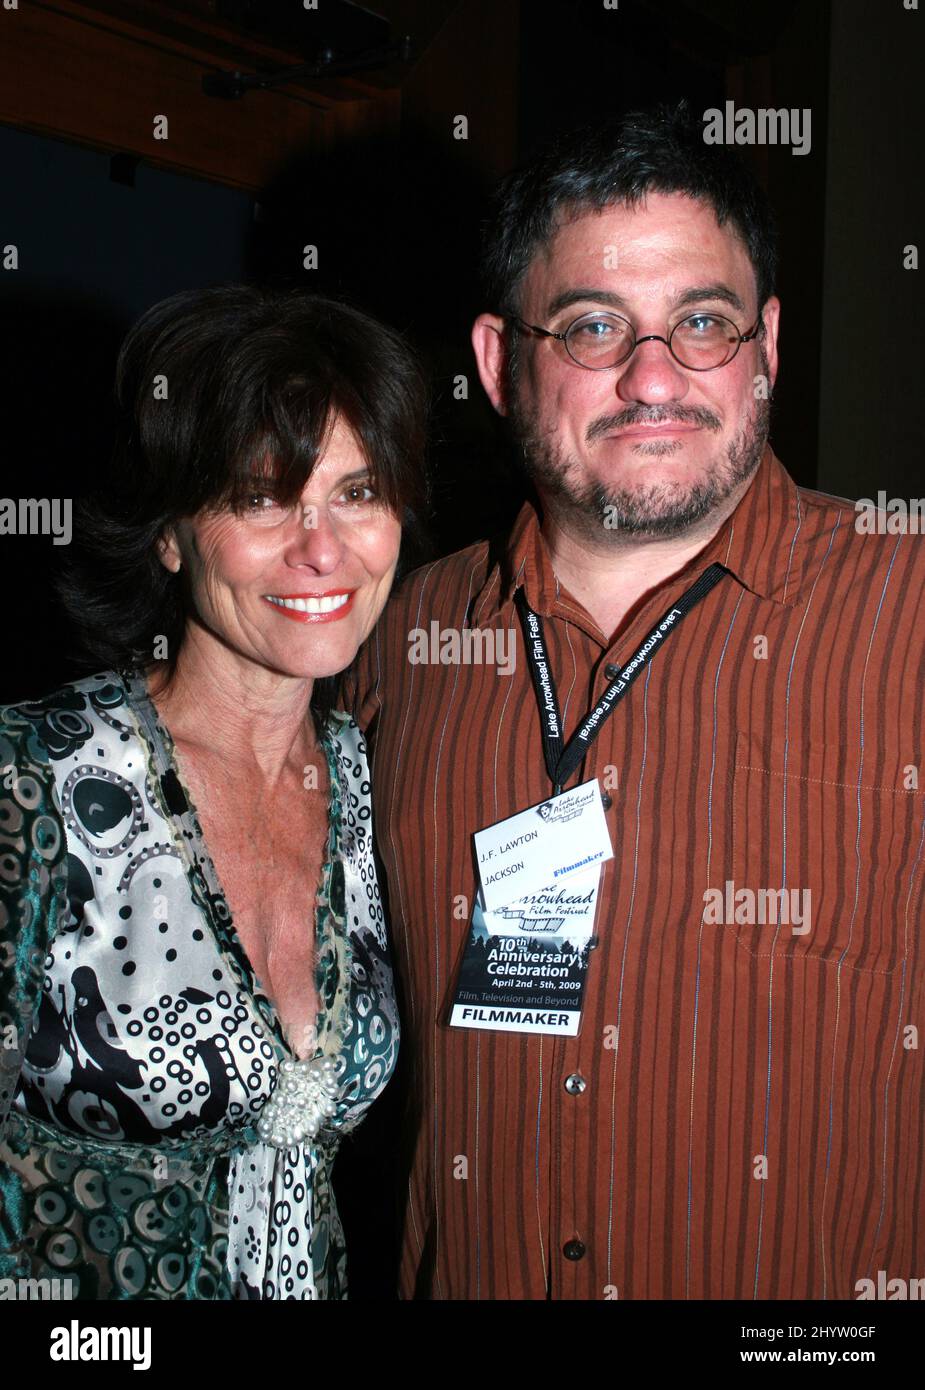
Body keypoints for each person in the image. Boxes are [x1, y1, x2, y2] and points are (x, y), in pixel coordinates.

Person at [353, 103, 925, 1299]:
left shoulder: (907, 610)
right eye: (594, 325)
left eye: (703, 323)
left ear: (766, 345)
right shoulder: (390, 641)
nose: (653, 376)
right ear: (502, 362)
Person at [0, 285, 426, 1300]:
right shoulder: (36, 777)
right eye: (262, 496)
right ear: (168, 532)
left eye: (359, 493)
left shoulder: (366, 782)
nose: (324, 548)